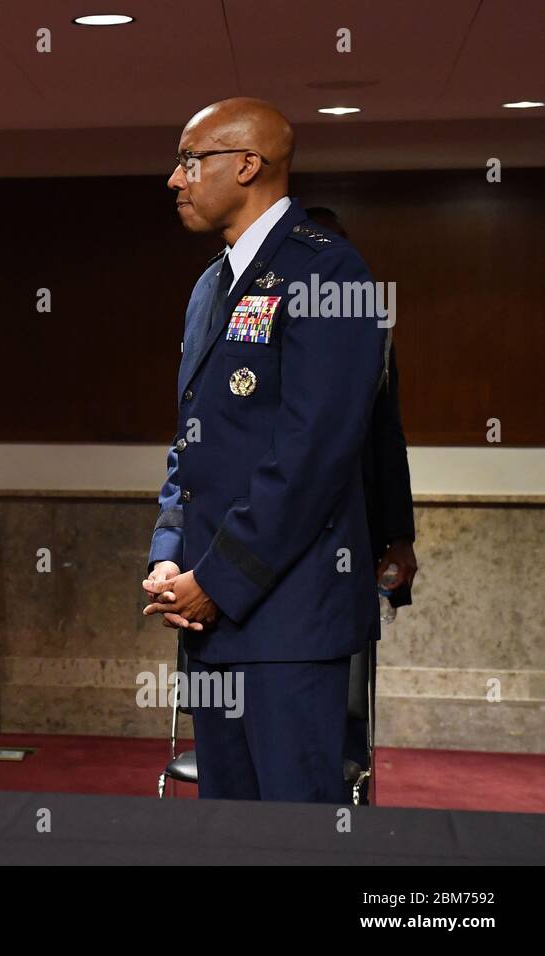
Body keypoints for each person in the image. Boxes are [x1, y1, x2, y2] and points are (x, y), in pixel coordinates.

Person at [142, 97, 387, 803]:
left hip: (286, 621)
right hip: (209, 619)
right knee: (227, 831)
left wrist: (217, 580)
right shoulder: (208, 286)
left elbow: (313, 455)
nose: (175, 179)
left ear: (248, 164)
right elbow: (192, 438)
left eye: (191, 160)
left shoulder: (328, 274)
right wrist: (169, 550)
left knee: (294, 832)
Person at [306, 206, 419, 804]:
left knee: (348, 692)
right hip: (282, 539)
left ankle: (349, 802)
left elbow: (387, 435)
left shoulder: (374, 328)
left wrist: (400, 538)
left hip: (357, 530)